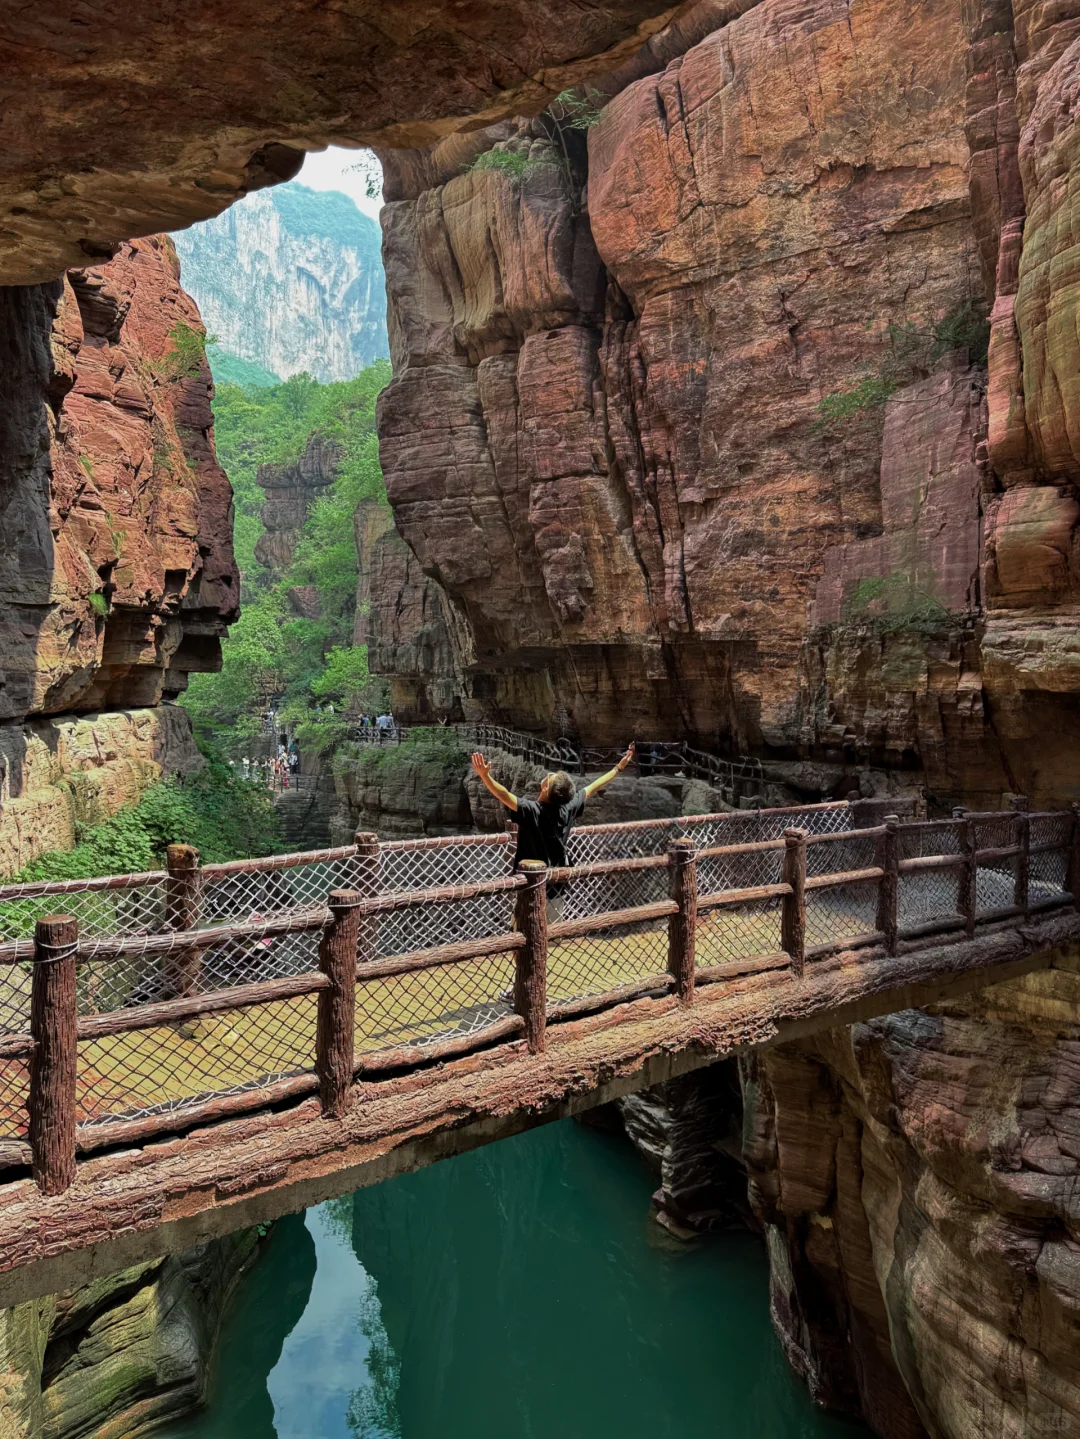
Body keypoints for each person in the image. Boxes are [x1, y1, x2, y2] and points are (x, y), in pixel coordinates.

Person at [470, 743, 636, 916]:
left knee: (525, 929)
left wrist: (485, 776)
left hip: (529, 883)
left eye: (551, 777)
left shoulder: (531, 810)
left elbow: (503, 794)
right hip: (556, 883)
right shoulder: (568, 807)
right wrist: (619, 767)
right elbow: (595, 786)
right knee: (551, 933)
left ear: (545, 788)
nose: (549, 774)